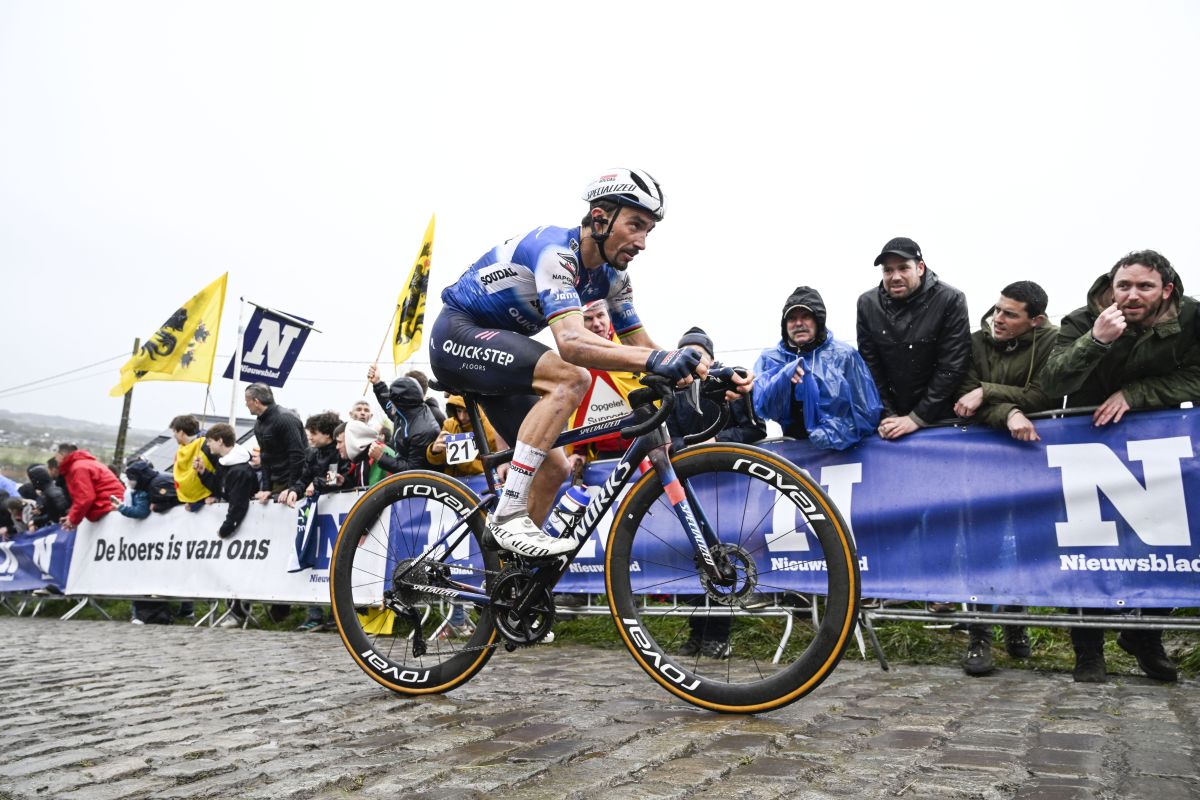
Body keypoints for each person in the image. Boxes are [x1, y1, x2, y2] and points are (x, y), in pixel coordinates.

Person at [429, 167, 749, 557]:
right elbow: (573, 343)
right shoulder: (556, 253)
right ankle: (507, 514)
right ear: (600, 218)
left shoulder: (613, 278)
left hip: (497, 360)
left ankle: (510, 579)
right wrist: (658, 358)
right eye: (635, 225)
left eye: (648, 230)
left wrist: (706, 371)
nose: (642, 242)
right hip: (456, 334)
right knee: (571, 377)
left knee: (555, 469)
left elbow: (641, 345)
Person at [1041, 249, 1199, 683]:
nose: (1131, 295)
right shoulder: (1082, 319)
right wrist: (1096, 341)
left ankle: (1144, 635)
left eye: (1144, 287)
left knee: (1164, 543)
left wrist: (1136, 393)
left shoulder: (1192, 319)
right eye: (1123, 286)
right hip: (1088, 442)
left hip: (1157, 443)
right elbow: (1053, 380)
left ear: (1166, 289)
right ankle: (1087, 648)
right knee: (1089, 545)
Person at [951, 280, 1059, 676]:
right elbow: (963, 400)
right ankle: (979, 635)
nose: (997, 319)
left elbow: (1044, 395)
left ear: (1036, 321)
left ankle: (1017, 617)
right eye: (997, 309)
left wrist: (987, 391)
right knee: (983, 544)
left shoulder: (1052, 340)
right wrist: (1008, 411)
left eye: (1010, 314)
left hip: (1026, 457)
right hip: (979, 458)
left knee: (1024, 541)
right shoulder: (974, 341)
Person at [666, 327, 766, 660]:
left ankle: (719, 635)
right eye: (687, 354)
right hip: (692, 487)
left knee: (722, 559)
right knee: (698, 558)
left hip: (729, 486)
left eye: (700, 354)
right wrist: (694, 447)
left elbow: (756, 429)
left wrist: (716, 442)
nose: (694, 361)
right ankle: (697, 633)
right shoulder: (674, 393)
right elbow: (672, 441)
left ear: (711, 359)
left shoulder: (728, 386)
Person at [857, 237, 971, 440]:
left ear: (920, 268)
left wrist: (917, 418)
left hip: (940, 418)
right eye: (888, 270)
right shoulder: (867, 303)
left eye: (903, 268)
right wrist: (889, 417)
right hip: (890, 420)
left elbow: (952, 366)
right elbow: (870, 367)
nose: (895, 276)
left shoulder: (950, 299)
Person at [754, 286, 881, 449]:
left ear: (818, 320)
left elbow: (868, 412)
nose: (798, 323)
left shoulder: (844, 355)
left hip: (844, 454)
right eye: (792, 318)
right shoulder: (771, 359)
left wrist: (835, 433)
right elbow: (762, 407)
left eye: (806, 316)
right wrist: (783, 378)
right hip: (794, 453)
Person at [366, 369, 441, 474]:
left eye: (393, 400)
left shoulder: (423, 431)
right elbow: (387, 404)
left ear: (402, 404)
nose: (390, 403)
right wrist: (377, 383)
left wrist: (381, 457)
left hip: (421, 485)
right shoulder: (407, 413)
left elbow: (413, 471)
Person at [244, 383, 307, 506]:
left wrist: (292, 487)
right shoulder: (258, 425)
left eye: (247, 401)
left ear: (256, 401)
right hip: (276, 482)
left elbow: (297, 455)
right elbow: (265, 456)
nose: (246, 405)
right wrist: (266, 488)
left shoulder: (286, 419)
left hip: (294, 481)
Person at [201, 423, 258, 540]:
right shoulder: (224, 463)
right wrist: (202, 472)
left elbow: (238, 505)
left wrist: (225, 530)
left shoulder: (240, 471)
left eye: (210, 440)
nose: (207, 444)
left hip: (247, 534)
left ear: (220, 441)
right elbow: (219, 488)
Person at [56, 445, 126, 531]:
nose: (56, 460)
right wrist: (71, 515)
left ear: (62, 455)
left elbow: (85, 497)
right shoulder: (85, 463)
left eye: (57, 456)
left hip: (107, 506)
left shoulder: (78, 468)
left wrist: (73, 519)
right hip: (112, 503)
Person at [170, 415, 213, 510]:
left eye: (174, 432)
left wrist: (216, 496)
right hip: (194, 500)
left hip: (208, 497)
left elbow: (221, 472)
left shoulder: (206, 445)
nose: (174, 435)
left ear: (181, 432)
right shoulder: (181, 450)